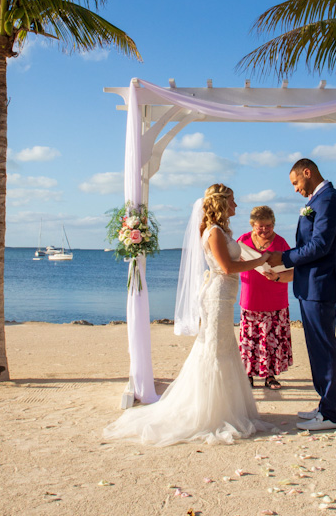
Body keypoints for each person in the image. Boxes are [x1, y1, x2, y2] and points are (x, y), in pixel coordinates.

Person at [104, 184, 270, 446]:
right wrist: (260, 261)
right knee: (215, 348)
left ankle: (226, 407)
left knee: (223, 346)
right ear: (222, 203)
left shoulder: (223, 230)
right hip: (217, 294)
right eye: (233, 201)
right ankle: (209, 411)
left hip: (225, 295)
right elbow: (227, 267)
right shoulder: (214, 232)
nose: (236, 206)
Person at [266, 159, 336, 431]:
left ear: (307, 172)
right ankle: (325, 406)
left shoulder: (328, 201)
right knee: (317, 348)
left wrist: (284, 256)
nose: (295, 189)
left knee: (324, 348)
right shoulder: (319, 200)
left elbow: (320, 246)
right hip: (310, 285)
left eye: (295, 183)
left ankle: (331, 415)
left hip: (321, 286)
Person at [238, 206, 294, 389]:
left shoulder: (281, 243)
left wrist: (277, 276)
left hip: (275, 300)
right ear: (252, 225)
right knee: (249, 340)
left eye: (268, 226)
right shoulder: (243, 241)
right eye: (260, 226)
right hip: (250, 299)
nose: (264, 230)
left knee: (272, 341)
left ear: (274, 224)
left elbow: (294, 272)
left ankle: (270, 376)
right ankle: (248, 375)